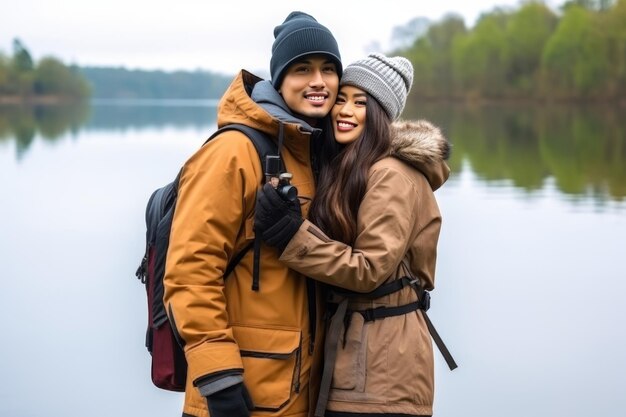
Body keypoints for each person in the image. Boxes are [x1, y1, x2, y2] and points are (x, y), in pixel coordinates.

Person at [163, 11, 342, 417]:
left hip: (297, 393)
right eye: (303, 69)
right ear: (278, 79)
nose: (319, 81)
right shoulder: (235, 151)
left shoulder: (314, 152)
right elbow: (191, 268)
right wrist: (217, 376)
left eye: (329, 69)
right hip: (237, 395)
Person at [255, 53, 453, 417]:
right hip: (361, 355)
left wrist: (291, 235)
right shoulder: (357, 167)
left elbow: (369, 269)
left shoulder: (391, 174)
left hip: (384, 366)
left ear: (380, 115)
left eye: (360, 103)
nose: (344, 110)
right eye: (341, 99)